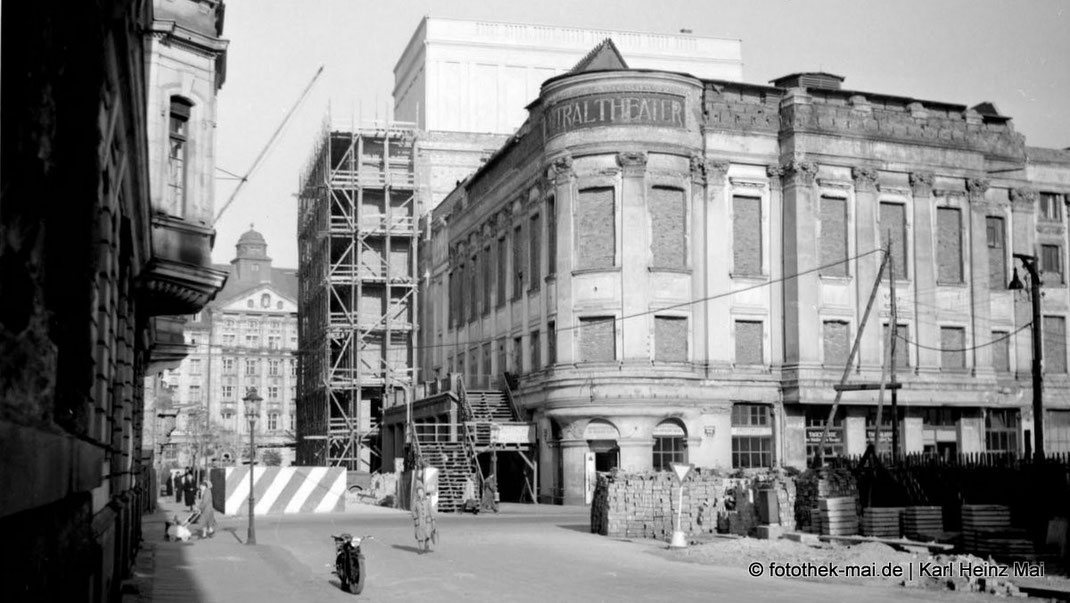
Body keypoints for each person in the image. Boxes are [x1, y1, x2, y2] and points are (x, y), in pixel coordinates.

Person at [411, 477, 437, 553]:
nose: (420, 493)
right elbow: (413, 510)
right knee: (419, 535)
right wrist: (415, 517)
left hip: (427, 521)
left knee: (427, 534)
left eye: (421, 491)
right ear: (417, 493)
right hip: (419, 521)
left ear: (423, 492)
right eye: (418, 492)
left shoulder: (427, 501)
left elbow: (431, 510)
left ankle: (426, 545)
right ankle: (421, 548)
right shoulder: (416, 502)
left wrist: (433, 519)